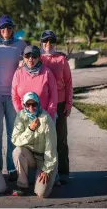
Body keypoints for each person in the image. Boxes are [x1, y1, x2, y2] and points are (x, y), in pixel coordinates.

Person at [0, 15, 27, 179]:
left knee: (13, 132)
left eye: (9, 27)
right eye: (3, 28)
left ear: (12, 28)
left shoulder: (21, 44)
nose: (6, 31)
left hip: (13, 96)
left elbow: (34, 57)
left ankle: (11, 168)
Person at [39, 30, 73, 184]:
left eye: (51, 41)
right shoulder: (37, 58)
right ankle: (43, 171)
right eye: (45, 41)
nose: (48, 44)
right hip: (42, 104)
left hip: (59, 103)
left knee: (60, 139)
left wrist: (68, 103)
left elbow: (69, 82)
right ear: (41, 43)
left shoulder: (61, 59)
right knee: (42, 140)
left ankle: (63, 172)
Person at [11, 92, 58, 197]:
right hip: (30, 155)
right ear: (24, 105)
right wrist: (30, 129)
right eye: (28, 105)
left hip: (44, 158)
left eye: (34, 104)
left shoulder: (46, 119)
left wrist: (47, 169)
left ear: (39, 104)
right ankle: (22, 186)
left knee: (42, 194)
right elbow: (15, 140)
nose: (31, 108)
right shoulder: (21, 115)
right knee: (17, 152)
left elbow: (51, 147)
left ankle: (51, 176)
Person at [12, 45, 58, 120]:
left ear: (39, 57)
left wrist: (48, 116)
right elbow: (14, 97)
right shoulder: (18, 73)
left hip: (44, 117)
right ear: (23, 57)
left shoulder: (47, 72)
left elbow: (54, 96)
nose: (30, 59)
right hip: (25, 118)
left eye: (34, 56)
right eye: (27, 56)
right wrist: (22, 115)